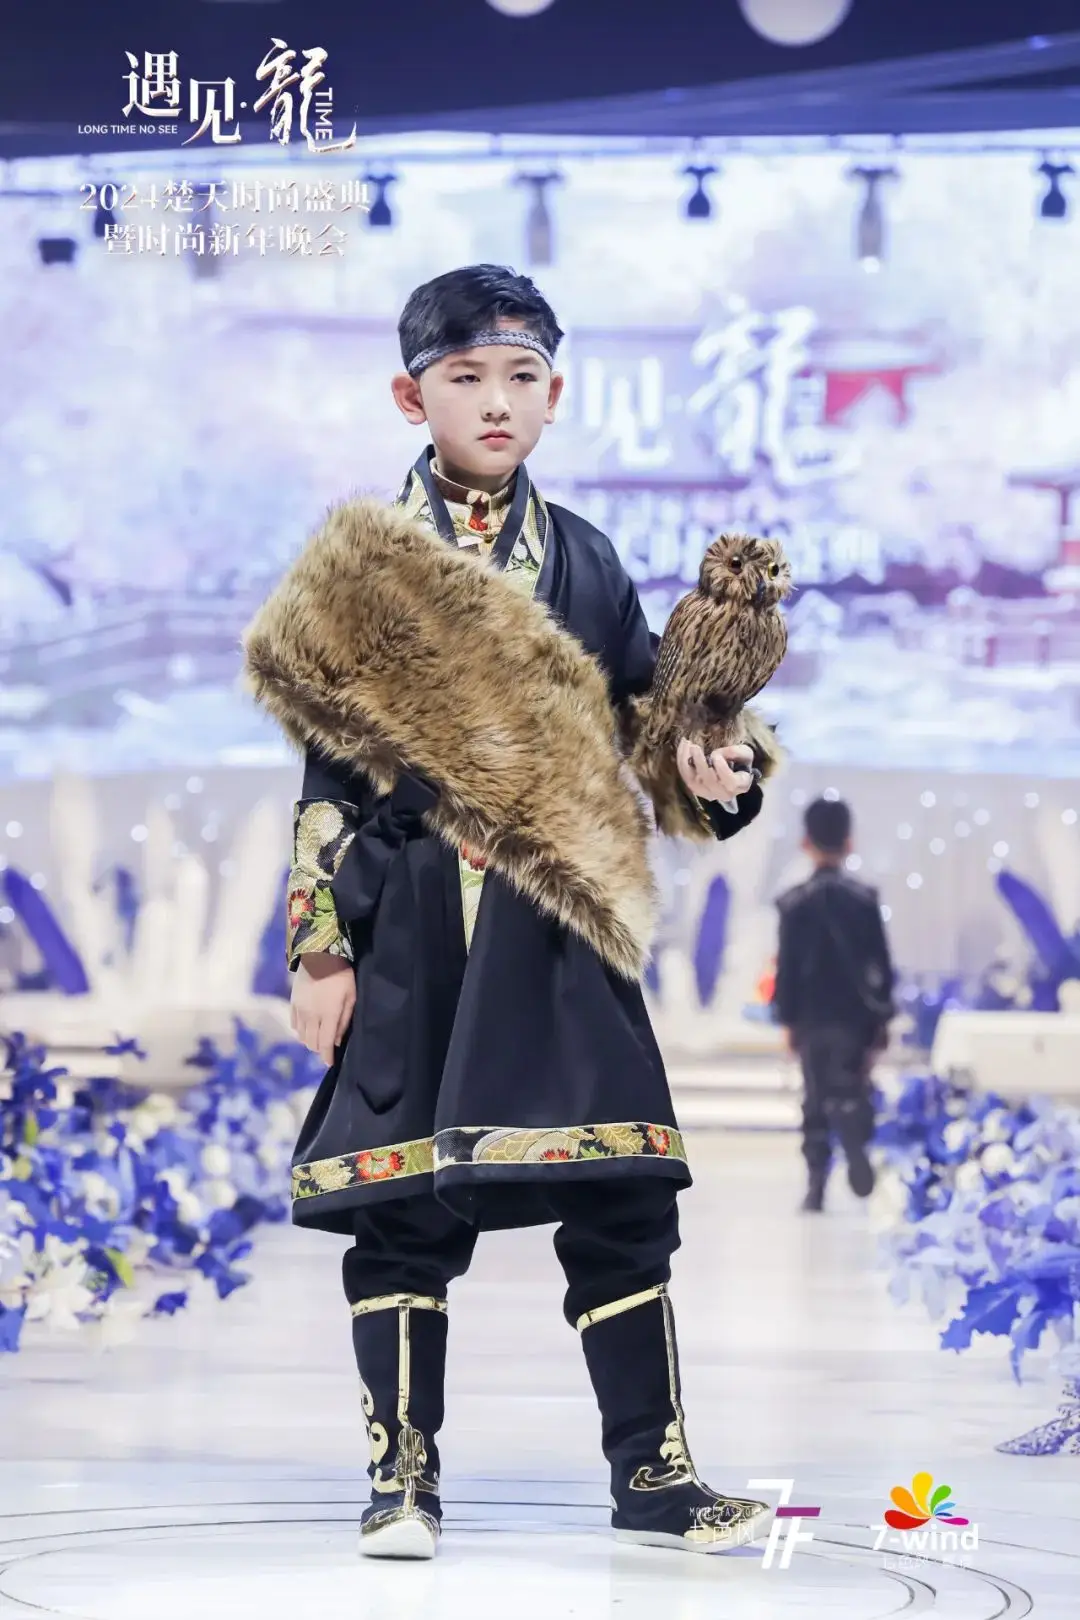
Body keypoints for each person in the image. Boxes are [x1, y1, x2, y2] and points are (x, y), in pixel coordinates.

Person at [244, 264, 777, 1561]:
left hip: (558, 915)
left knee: (625, 1195)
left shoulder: (586, 558)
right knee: (401, 1212)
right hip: (412, 917)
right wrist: (319, 948)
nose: (495, 400)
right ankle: (402, 1477)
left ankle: (653, 1474)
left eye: (520, 376)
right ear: (410, 395)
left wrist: (716, 763)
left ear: (554, 394)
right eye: (466, 376)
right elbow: (329, 781)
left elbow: (657, 728)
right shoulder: (356, 570)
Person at [773, 797, 895, 1214]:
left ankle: (816, 1185)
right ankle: (854, 1134)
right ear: (849, 842)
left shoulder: (792, 903)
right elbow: (881, 965)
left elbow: (787, 968)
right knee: (851, 1087)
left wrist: (787, 1019)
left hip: (811, 1018)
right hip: (854, 1016)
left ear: (806, 842)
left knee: (814, 1095)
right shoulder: (864, 900)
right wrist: (883, 1017)